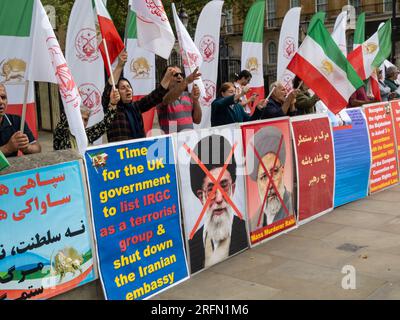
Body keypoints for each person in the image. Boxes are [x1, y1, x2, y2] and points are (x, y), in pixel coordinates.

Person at [102, 51, 201, 142]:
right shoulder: (112, 108)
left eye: (129, 86)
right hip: (120, 156)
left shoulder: (136, 107)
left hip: (138, 153)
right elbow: (108, 91)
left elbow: (155, 96)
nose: (128, 89)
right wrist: (119, 66)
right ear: (115, 93)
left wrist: (167, 78)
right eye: (123, 88)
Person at [188, 134, 248, 273]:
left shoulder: (246, 232)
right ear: (201, 197)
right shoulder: (191, 246)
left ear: (232, 188)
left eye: (224, 185)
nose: (219, 199)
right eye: (211, 190)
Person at [247, 126, 293, 232]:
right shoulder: (252, 223)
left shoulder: (294, 208)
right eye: (263, 177)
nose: (270, 184)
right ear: (257, 182)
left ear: (282, 170)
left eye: (274, 172)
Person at [53, 89, 119, 150]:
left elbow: (104, 124)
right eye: (80, 118)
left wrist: (113, 104)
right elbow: (64, 120)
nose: (83, 122)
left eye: (86, 119)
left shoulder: (87, 134)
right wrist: (72, 101)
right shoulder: (62, 132)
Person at [156, 65, 202, 133]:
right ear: (166, 78)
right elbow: (168, 99)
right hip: (172, 141)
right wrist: (186, 81)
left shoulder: (188, 95)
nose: (179, 76)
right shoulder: (161, 95)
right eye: (175, 74)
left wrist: (195, 100)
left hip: (189, 140)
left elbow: (197, 120)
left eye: (181, 74)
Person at [0, 84, 41, 157]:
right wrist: (7, 148)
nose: (1, 102)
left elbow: (37, 148)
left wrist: (27, 147)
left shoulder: (17, 121)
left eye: (3, 97)